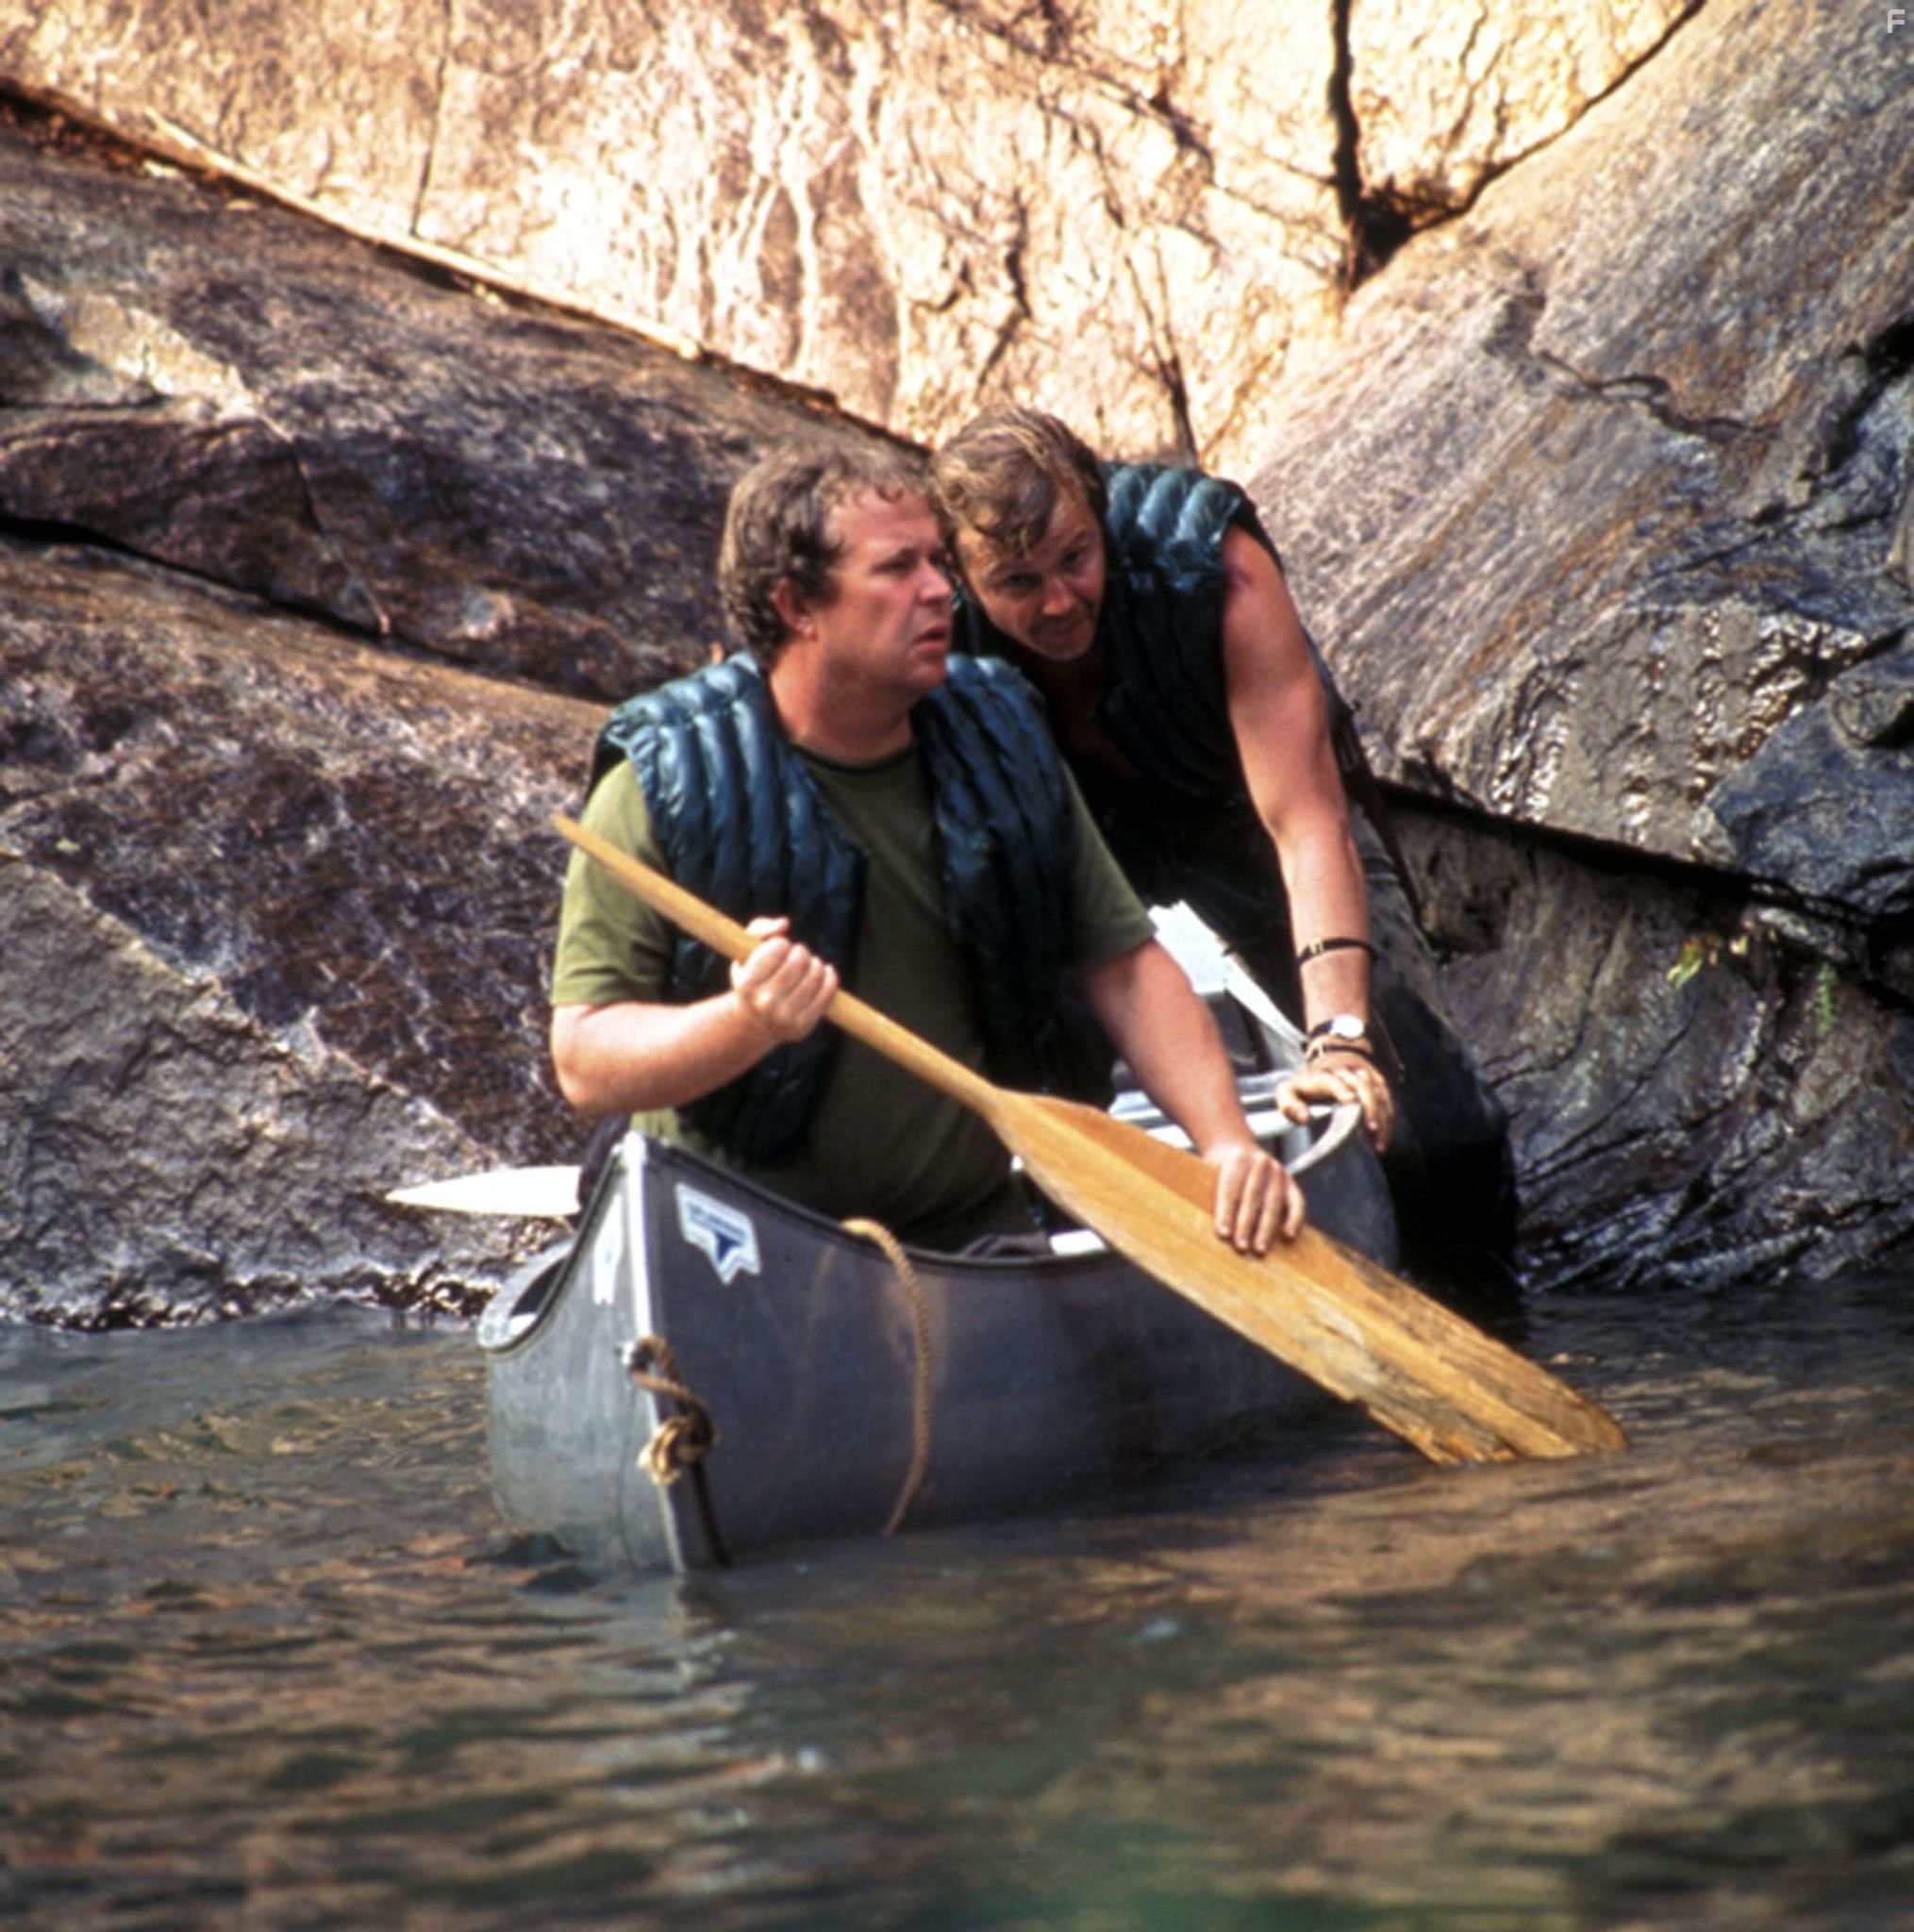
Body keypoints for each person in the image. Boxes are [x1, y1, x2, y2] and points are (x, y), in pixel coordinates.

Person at [548, 439, 1305, 1257]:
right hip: (739, 1252)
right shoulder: (662, 780)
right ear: (798, 606)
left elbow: (1123, 969)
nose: (942, 589)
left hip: (969, 1242)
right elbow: (586, 1060)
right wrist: (745, 1022)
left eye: (939, 561)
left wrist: (1225, 1143)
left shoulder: (1002, 733)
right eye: (897, 568)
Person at [930, 406, 1516, 1300]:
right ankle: (1072, 1301)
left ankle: (1488, 1312)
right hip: (1065, 845)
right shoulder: (929, 626)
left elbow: (1305, 821)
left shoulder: (1214, 566)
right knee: (1032, 1089)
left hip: (1243, 818)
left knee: (1432, 1123)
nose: (1055, 602)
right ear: (960, 574)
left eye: (1074, 560)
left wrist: (1341, 1042)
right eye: (1014, 581)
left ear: (1098, 510)